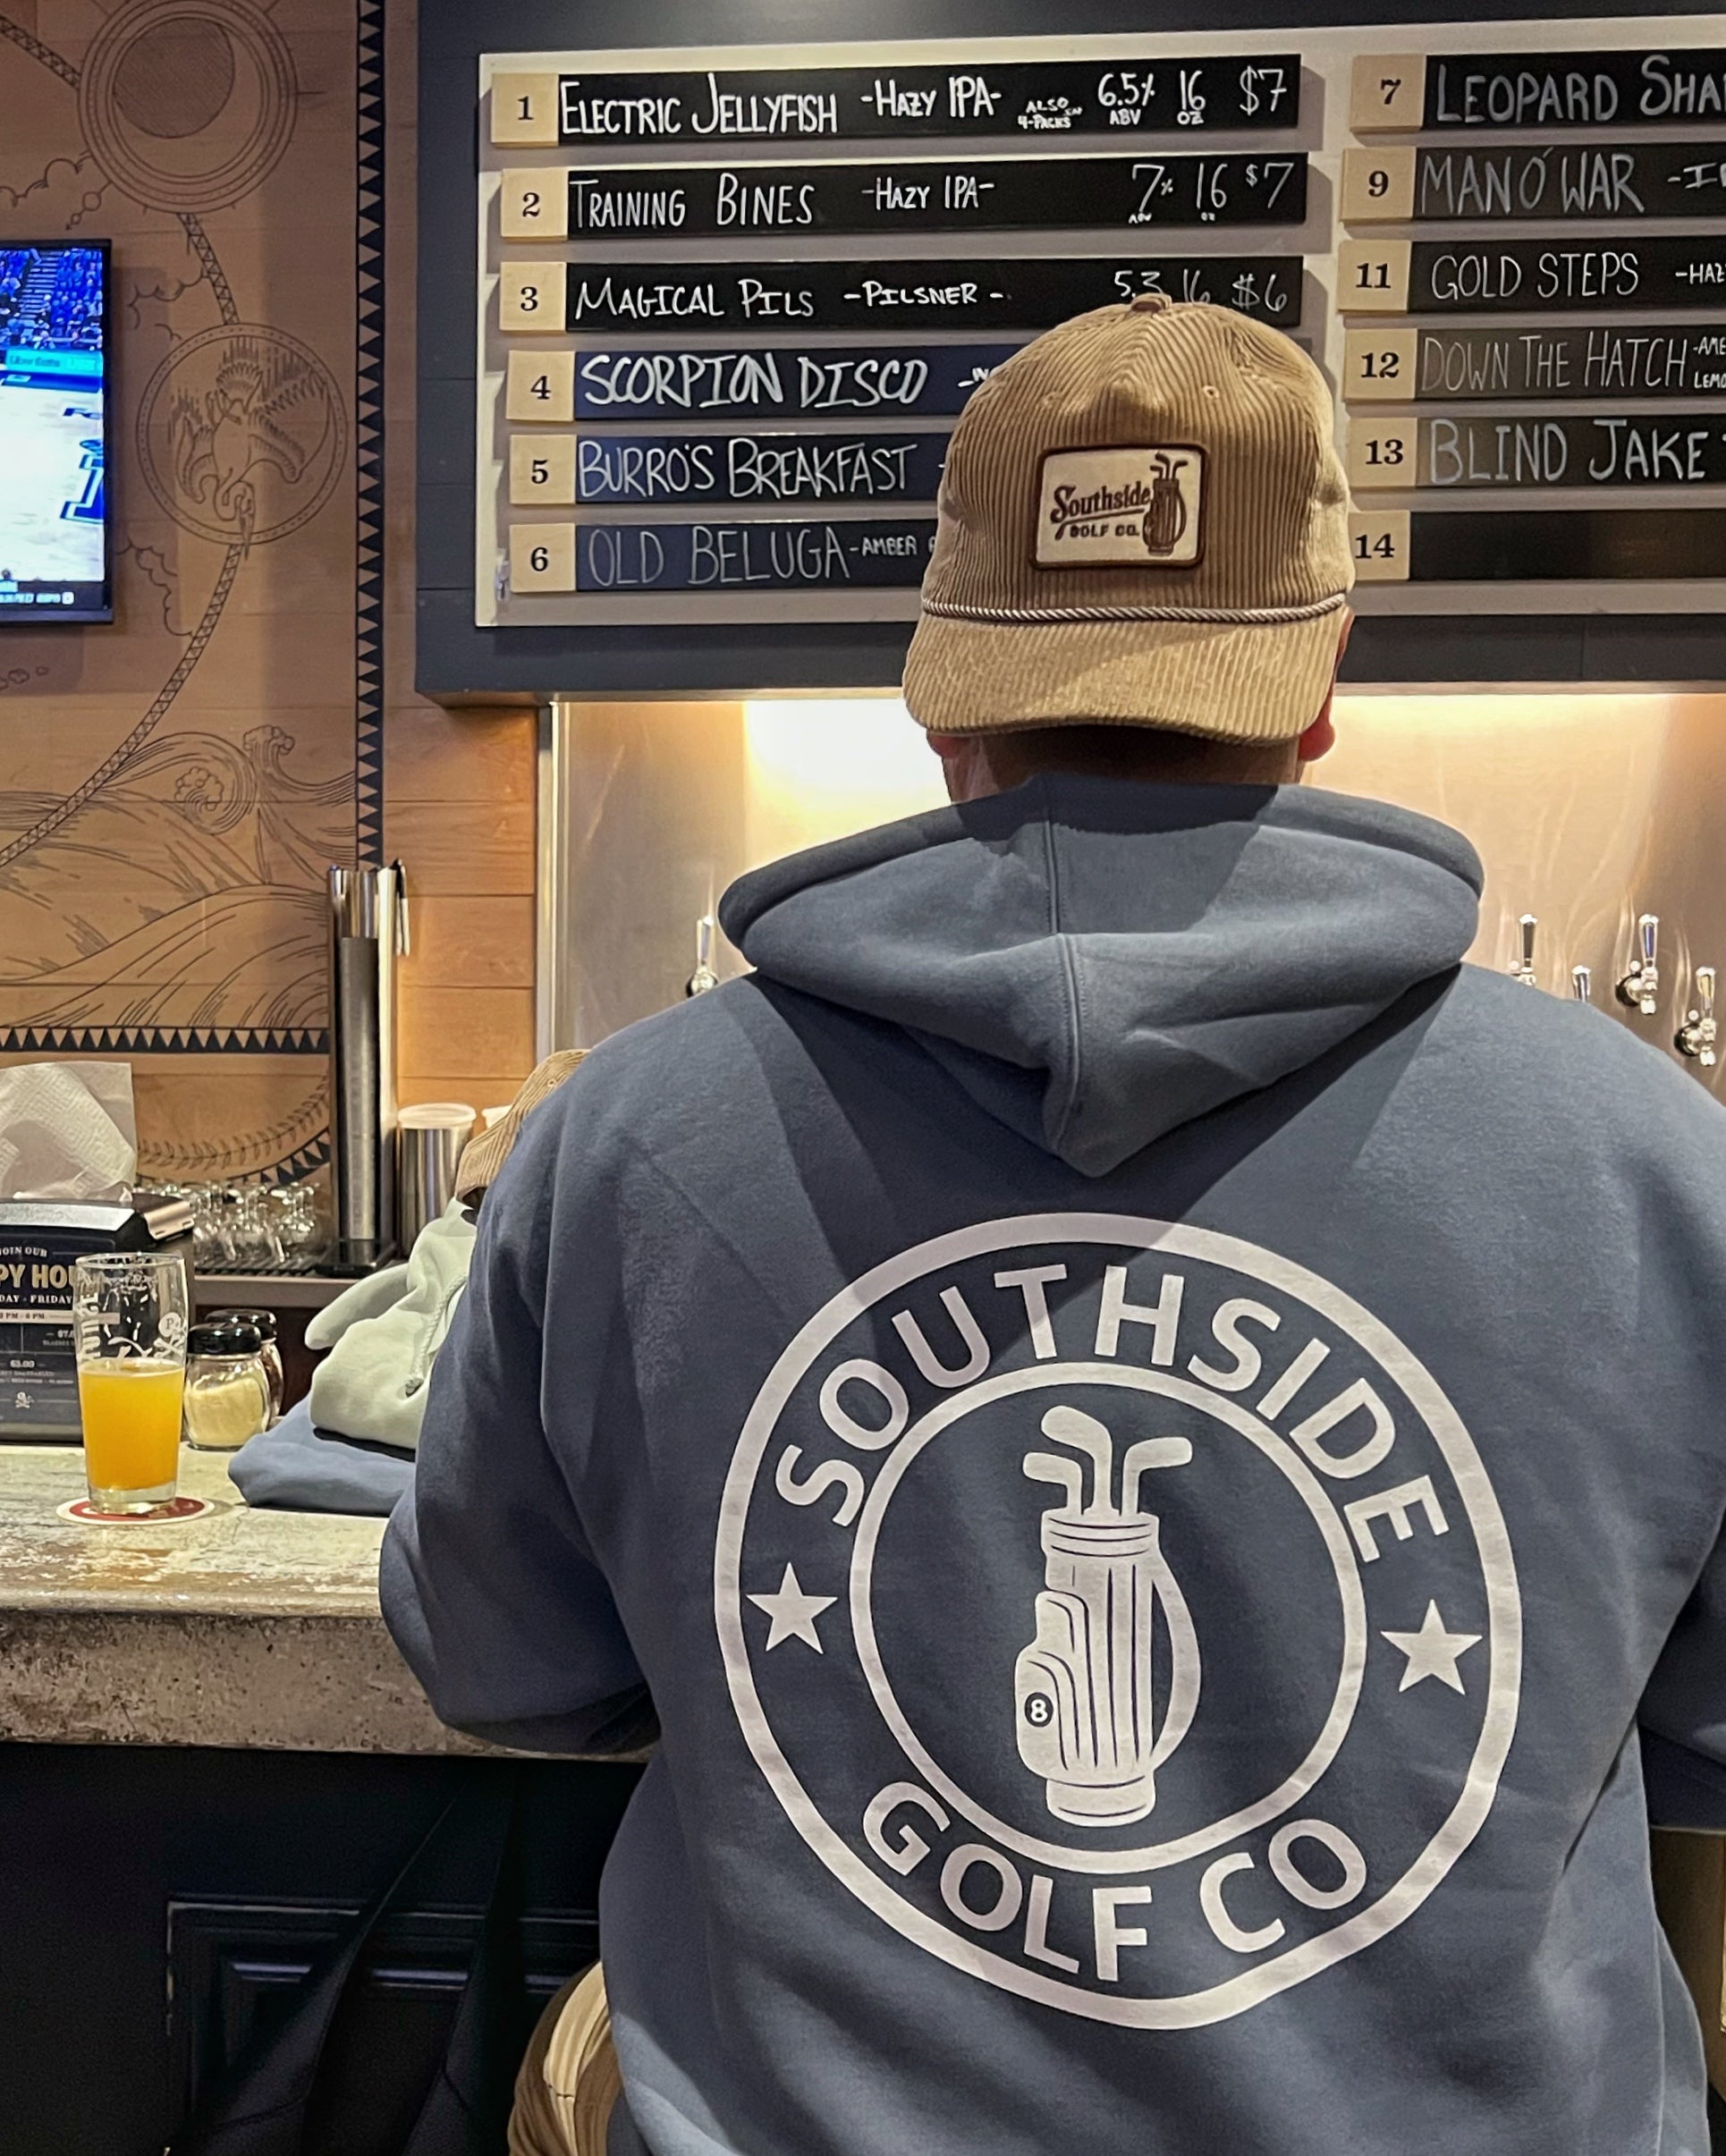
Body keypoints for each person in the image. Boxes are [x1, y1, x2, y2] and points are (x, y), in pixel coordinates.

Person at [383, 295, 1726, 2156]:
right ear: (1322, 680)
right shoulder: (1655, 1159)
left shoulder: (621, 1132)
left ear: (936, 686)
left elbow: (502, 1668)